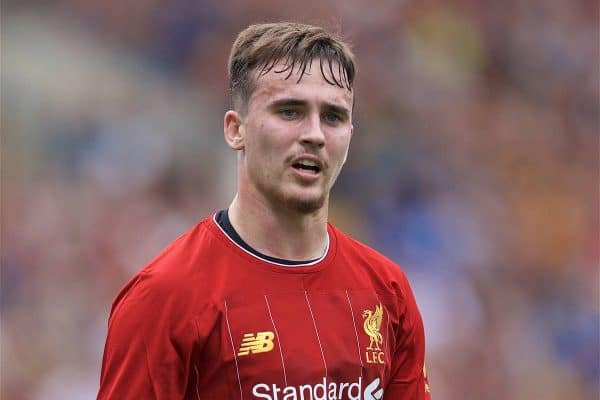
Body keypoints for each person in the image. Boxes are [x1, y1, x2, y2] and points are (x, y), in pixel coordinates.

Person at [97, 22, 430, 400]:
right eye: (290, 112)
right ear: (236, 129)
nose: (315, 134)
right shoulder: (165, 297)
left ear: (350, 135)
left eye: (333, 117)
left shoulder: (387, 291)